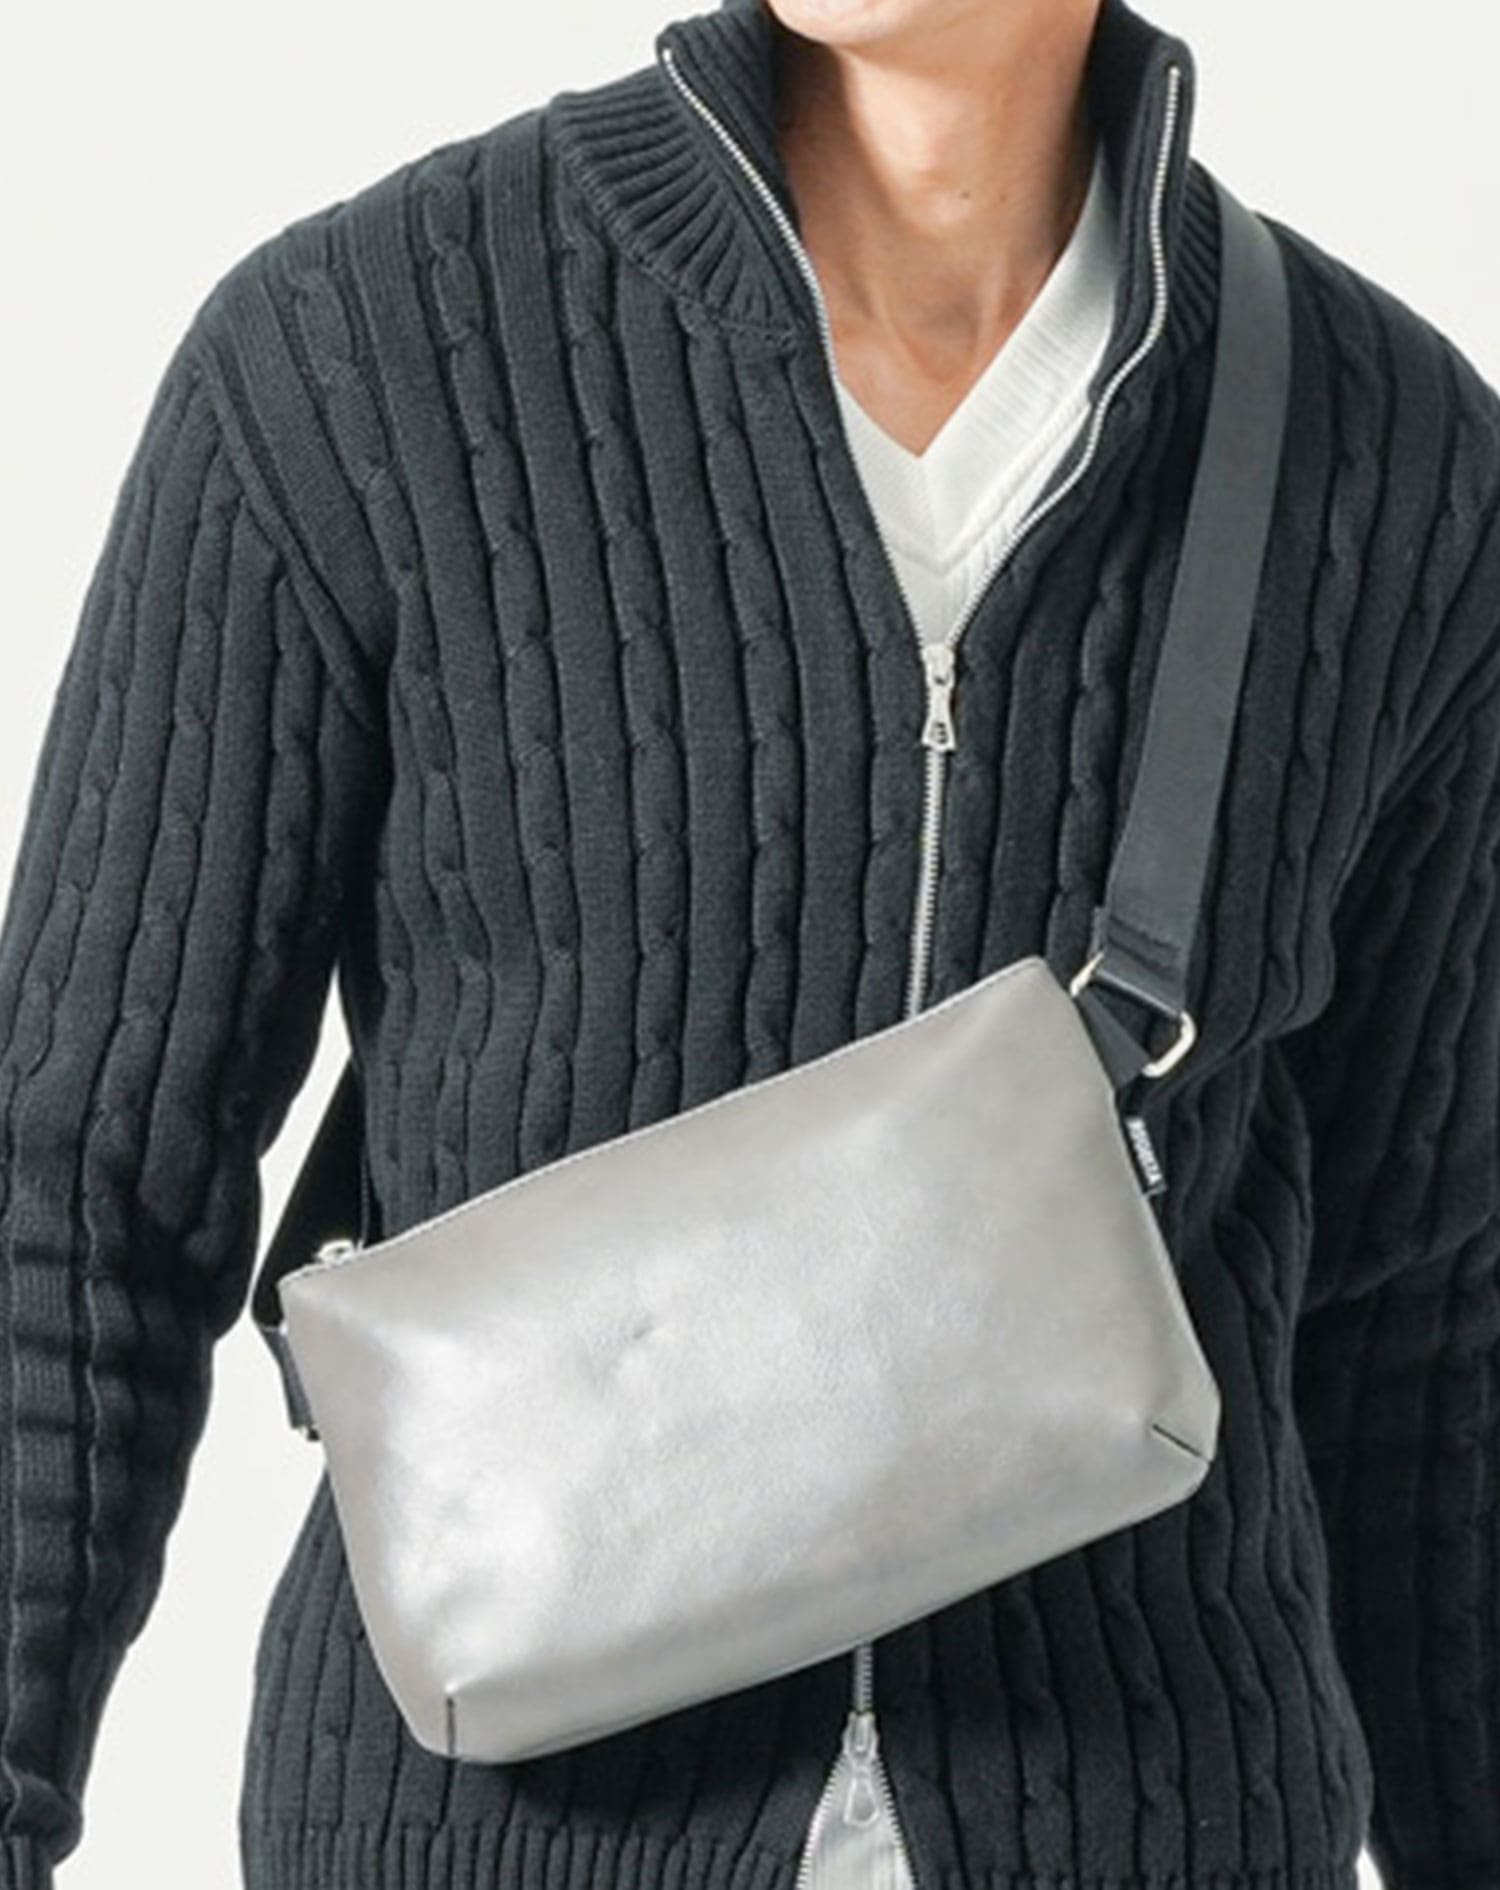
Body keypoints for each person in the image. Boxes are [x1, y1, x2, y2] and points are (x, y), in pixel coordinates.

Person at [0, 0, 1496, 1885]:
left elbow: (1426, 1308)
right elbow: (74, 1191)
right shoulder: (354, 356)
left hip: (1157, 1811)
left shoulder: (1395, 453)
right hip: (483, 1836)